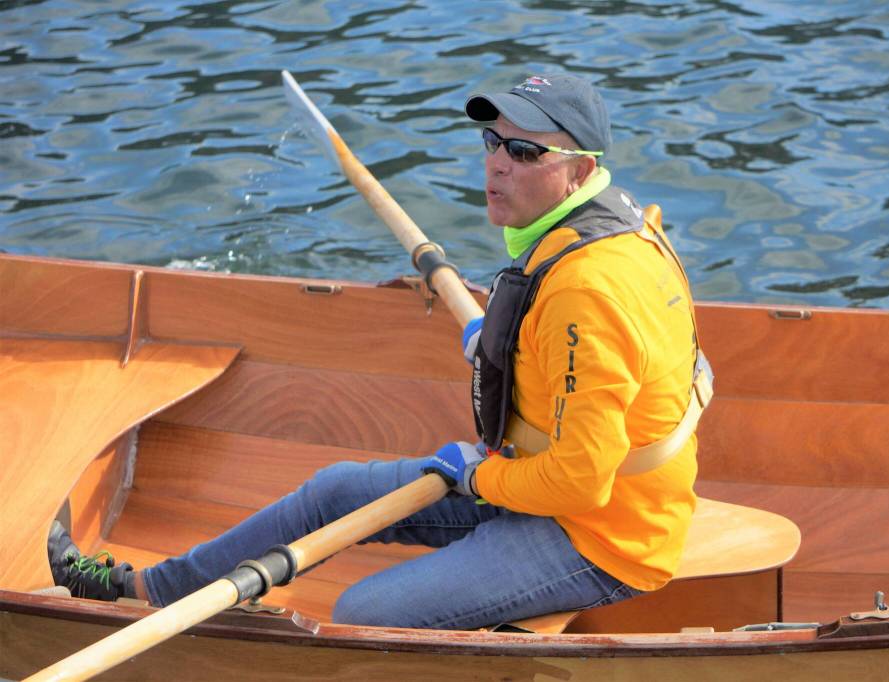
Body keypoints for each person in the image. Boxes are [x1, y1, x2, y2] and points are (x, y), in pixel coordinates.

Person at [49, 73, 708, 630]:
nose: (497, 162)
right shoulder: (601, 229)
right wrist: (497, 345)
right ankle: (151, 592)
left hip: (600, 535)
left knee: (363, 613)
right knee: (333, 492)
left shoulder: (588, 290)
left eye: (524, 151)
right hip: (536, 477)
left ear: (581, 171)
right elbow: (582, 356)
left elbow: (579, 480)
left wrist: (474, 479)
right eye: (491, 141)